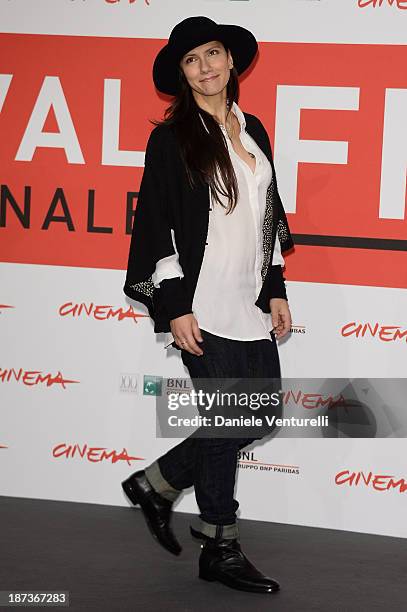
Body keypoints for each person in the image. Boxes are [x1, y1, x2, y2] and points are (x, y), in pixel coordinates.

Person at [121, 16, 294, 594]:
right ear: (182, 74)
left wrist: (276, 288)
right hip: (199, 304)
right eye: (192, 60)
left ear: (231, 60)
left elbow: (267, 217)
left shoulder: (254, 132)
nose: (206, 67)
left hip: (248, 301)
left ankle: (157, 483)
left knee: (257, 416)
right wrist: (174, 305)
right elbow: (156, 225)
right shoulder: (170, 139)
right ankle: (220, 543)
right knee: (225, 419)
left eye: (213, 54)